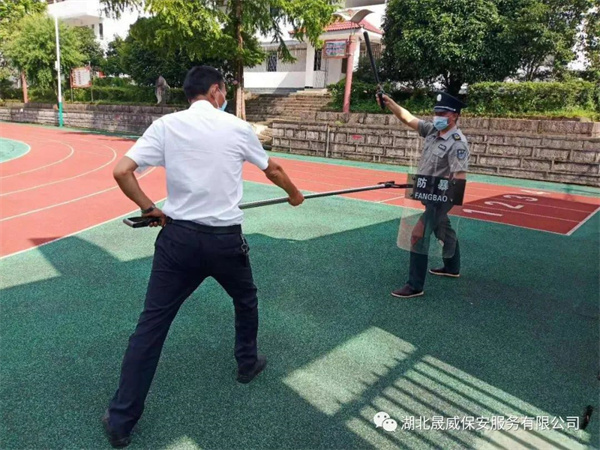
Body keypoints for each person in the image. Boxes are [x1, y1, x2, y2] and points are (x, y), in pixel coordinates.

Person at [103, 66, 304, 448]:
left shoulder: (166, 127)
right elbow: (274, 169)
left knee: (151, 325)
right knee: (245, 299)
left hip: (177, 241)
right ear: (215, 91)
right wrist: (294, 195)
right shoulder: (237, 127)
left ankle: (120, 420)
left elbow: (122, 171)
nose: (224, 96)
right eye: (224, 90)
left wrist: (149, 208)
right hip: (225, 243)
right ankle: (247, 363)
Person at [378, 91, 469, 299]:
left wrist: (441, 205)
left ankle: (415, 285)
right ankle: (452, 267)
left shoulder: (457, 143)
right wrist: (389, 103)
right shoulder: (432, 131)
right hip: (428, 194)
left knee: (418, 235)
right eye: (436, 112)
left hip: (440, 199)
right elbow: (408, 118)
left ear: (455, 115)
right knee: (444, 230)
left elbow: (459, 178)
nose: (437, 117)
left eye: (443, 113)